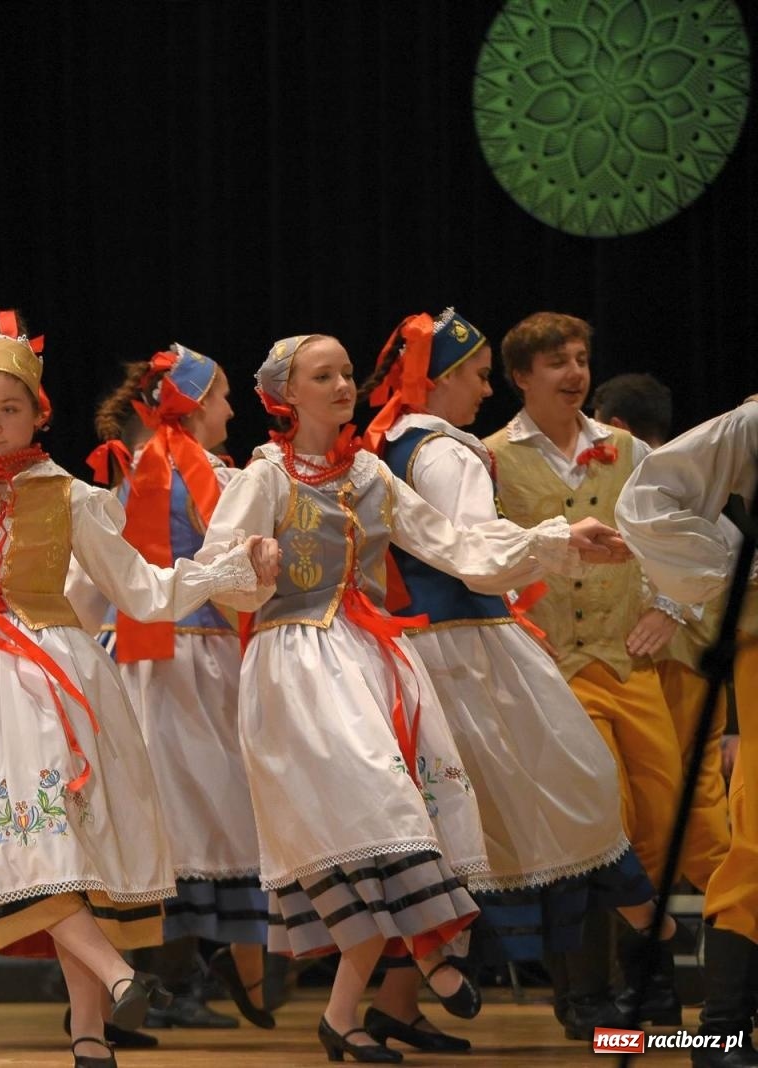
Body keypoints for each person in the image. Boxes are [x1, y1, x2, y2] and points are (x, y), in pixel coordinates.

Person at [0, 311, 278, 1068]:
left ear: (37, 412)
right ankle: (115, 978)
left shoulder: (74, 498)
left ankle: (90, 1032)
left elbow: (141, 591)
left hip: (49, 683)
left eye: (8, 410)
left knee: (63, 848)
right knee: (7, 846)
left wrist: (227, 569)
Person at [198, 332, 630, 1063]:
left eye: (344, 373)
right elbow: (219, 572)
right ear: (286, 395)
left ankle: (344, 1013)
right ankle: (436, 948)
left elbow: (459, 547)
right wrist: (254, 565)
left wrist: (559, 538)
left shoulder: (369, 474)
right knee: (379, 812)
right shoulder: (264, 477)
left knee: (402, 818)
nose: (341, 385)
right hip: (294, 664)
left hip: (370, 659)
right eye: (322, 375)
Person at [361, 309, 673, 1046]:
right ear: (439, 379)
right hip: (470, 653)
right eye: (473, 374)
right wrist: (562, 539)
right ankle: (666, 967)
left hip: (434, 650)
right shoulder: (443, 453)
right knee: (582, 789)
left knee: (460, 828)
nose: (481, 388)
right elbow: (477, 552)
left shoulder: (393, 443)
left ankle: (391, 1008)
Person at [483, 312, 693, 1023]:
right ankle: (594, 991)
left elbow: (672, 538)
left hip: (627, 660)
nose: (574, 373)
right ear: (521, 377)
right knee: (596, 824)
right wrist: (514, 631)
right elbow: (485, 555)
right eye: (556, 363)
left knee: (663, 820)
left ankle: (644, 970)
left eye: (579, 359)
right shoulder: (491, 456)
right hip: (553, 669)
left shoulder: (627, 449)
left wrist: (668, 608)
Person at [82, 345, 271, 1032]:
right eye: (221, 396)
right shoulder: (213, 476)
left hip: (132, 658)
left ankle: (176, 973)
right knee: (201, 814)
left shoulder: (124, 475)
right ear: (192, 405)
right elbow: (236, 579)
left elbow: (89, 583)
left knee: (166, 817)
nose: (230, 409)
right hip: (193, 659)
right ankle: (180, 975)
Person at [617, 396, 758, 1068]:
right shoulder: (754, 425)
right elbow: (651, 495)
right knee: (756, 835)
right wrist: (733, 579)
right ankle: (724, 1024)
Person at [595, 372, 735, 896]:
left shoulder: (663, 479)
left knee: (681, 800)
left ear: (615, 426)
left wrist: (670, 607)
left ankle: (731, 943)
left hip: (673, 655)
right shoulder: (683, 474)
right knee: (667, 799)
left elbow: (723, 550)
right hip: (671, 657)